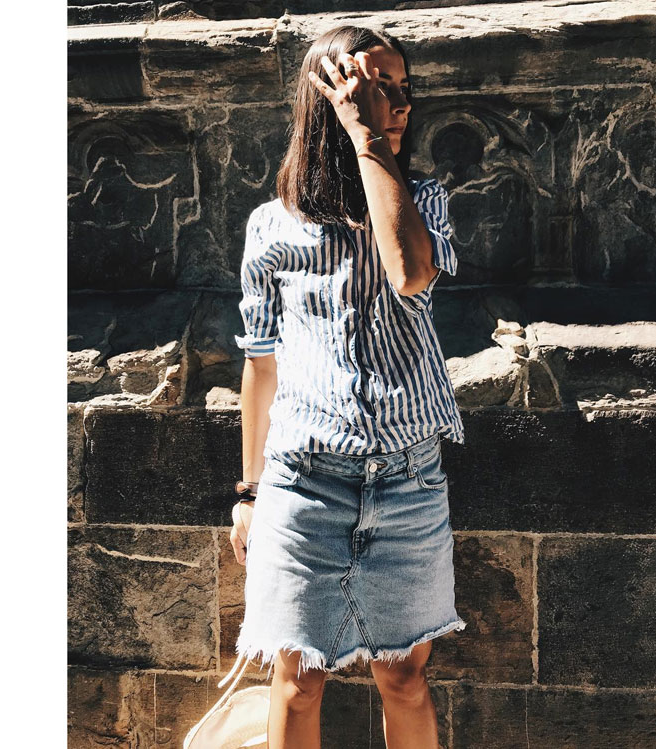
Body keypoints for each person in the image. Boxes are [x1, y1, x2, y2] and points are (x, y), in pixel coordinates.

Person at [228, 25, 465, 749]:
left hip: (408, 482)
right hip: (303, 484)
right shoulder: (271, 227)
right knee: (297, 682)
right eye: (377, 86)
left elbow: (409, 273)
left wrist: (367, 136)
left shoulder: (423, 202)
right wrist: (249, 494)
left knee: (405, 678)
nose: (399, 103)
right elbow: (261, 365)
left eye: (403, 88)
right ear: (328, 97)